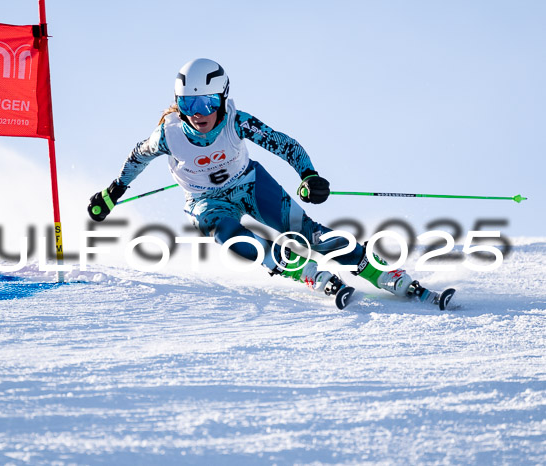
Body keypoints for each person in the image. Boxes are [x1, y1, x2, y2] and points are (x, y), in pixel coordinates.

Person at [88, 58, 432, 303]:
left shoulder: (237, 122)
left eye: (207, 102)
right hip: (208, 202)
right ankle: (305, 272)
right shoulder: (169, 134)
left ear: (222, 98)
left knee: (308, 233)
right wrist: (114, 191)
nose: (198, 113)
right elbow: (138, 157)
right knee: (230, 237)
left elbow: (284, 144)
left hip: (250, 183)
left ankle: (379, 272)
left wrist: (308, 175)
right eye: (188, 103)